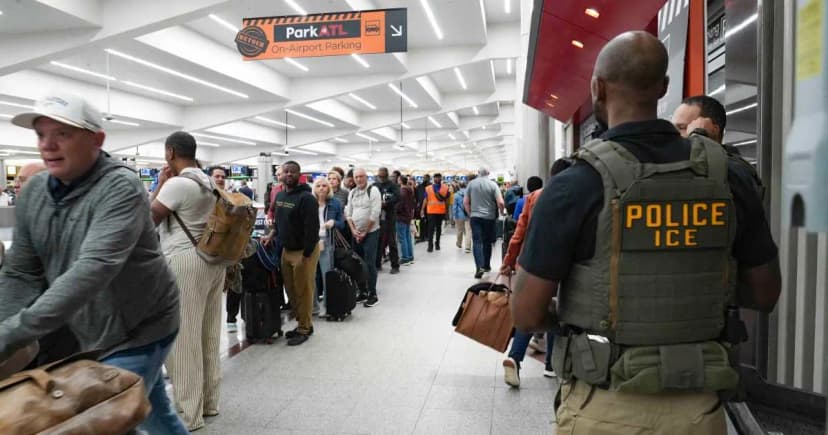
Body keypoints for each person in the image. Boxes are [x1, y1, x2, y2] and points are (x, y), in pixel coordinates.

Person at [512, 31, 781, 434]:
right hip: (699, 410)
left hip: (602, 409)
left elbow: (526, 313)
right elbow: (765, 293)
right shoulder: (728, 176)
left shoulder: (574, 183)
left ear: (597, 88)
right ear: (664, 87)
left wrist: (586, 312)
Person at [1, 93, 187, 434]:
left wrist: (10, 335)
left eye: (63, 134)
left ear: (97, 140)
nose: (47, 145)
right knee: (154, 413)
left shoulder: (121, 186)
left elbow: (93, 269)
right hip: (89, 328)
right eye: (41, 135)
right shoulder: (35, 191)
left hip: (140, 328)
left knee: (105, 421)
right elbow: (21, 271)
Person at [150, 131, 226, 431]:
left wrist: (160, 184)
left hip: (184, 262)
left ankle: (188, 415)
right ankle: (209, 403)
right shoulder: (209, 182)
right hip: (213, 261)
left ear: (170, 152)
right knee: (209, 334)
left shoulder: (177, 184)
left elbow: (146, 221)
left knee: (183, 341)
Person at [500, 162, 571, 388]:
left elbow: (519, 232)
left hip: (532, 261)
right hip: (564, 262)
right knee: (557, 310)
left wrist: (508, 260)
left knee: (530, 310)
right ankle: (551, 365)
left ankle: (515, 357)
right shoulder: (576, 194)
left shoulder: (534, 197)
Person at [263, 161, 320, 346]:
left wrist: (307, 254)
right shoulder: (280, 196)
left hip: (304, 251)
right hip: (286, 250)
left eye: (292, 172)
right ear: (280, 174)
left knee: (303, 291)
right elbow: (279, 222)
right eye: (285, 171)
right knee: (291, 291)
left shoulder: (307, 198)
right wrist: (271, 234)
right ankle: (302, 323)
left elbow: (312, 228)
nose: (289, 174)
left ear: (299, 174)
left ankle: (305, 328)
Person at [672, 95, 765, 198]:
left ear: (712, 129)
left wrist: (699, 136)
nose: (674, 134)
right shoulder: (677, 164)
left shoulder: (737, 171)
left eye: (682, 128)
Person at [207, 166, 244, 333]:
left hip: (230, 246)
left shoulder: (232, 198)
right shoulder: (205, 197)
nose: (220, 179)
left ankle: (231, 318)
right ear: (210, 178)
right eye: (217, 176)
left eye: (223, 176)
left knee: (235, 282)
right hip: (209, 246)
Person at [344, 168, 381, 308]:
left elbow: (375, 213)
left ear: (366, 177)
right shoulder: (352, 192)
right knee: (357, 263)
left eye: (361, 176)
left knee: (369, 263)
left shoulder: (373, 190)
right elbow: (348, 213)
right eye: (356, 177)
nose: (359, 179)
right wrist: (354, 230)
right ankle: (363, 291)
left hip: (371, 233)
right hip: (356, 233)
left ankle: (373, 294)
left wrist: (365, 231)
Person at [312, 177, 344, 318]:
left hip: (327, 241)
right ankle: (313, 306)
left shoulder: (335, 203)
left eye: (324, 185)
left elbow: (342, 223)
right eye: (318, 185)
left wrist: (333, 222)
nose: (321, 188)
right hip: (312, 242)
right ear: (314, 188)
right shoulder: (310, 202)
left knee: (327, 275)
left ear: (329, 188)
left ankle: (327, 305)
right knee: (311, 276)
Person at [464, 168, 504, 279]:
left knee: (477, 242)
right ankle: (486, 265)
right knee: (487, 242)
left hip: (475, 217)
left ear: (478, 173)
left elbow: (465, 202)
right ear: (488, 173)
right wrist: (501, 212)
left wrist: (470, 213)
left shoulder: (471, 184)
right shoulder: (493, 185)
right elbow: (500, 202)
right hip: (489, 218)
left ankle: (479, 267)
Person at [373, 167, 401, 273]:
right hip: (377, 217)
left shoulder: (393, 185)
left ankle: (395, 265)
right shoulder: (375, 185)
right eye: (379, 176)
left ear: (387, 175)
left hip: (389, 216)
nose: (381, 178)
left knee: (391, 241)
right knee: (378, 241)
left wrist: (386, 203)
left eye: (383, 176)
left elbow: (398, 197)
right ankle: (377, 264)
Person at [421, 173, 450, 252]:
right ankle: (431, 245)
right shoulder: (428, 188)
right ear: (433, 179)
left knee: (438, 228)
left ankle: (437, 244)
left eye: (438, 177)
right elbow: (425, 199)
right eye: (436, 177)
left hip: (439, 211)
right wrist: (422, 209)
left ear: (441, 178)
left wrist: (447, 210)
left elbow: (447, 199)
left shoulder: (445, 187)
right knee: (431, 229)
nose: (437, 179)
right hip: (432, 211)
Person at [395, 175, 416, 265]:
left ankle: (405, 258)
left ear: (400, 181)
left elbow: (399, 206)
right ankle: (410, 257)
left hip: (401, 217)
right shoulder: (410, 190)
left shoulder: (402, 191)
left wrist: (394, 209)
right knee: (407, 237)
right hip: (408, 216)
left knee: (402, 238)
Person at [452, 181, 472, 253]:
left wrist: (454, 216)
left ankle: (459, 243)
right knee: (468, 231)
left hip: (459, 215)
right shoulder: (470, 194)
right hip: (468, 214)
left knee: (459, 230)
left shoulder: (456, 195)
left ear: (459, 186)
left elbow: (454, 207)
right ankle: (468, 247)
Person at [414, 174, 431, 243]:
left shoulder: (431, 187)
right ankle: (422, 236)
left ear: (429, 179)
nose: (424, 179)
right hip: (421, 207)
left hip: (429, 207)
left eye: (426, 178)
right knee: (421, 222)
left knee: (428, 222)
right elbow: (417, 196)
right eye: (424, 178)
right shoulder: (419, 187)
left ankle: (427, 236)